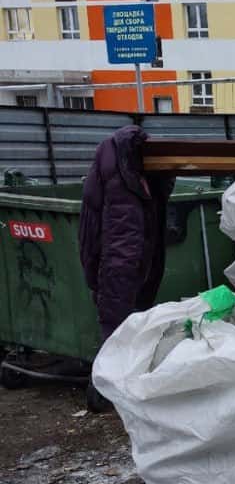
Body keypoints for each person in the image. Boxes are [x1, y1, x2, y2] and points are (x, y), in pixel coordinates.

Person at [78, 125, 174, 344]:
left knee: (117, 335)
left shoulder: (111, 161)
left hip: (116, 273)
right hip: (123, 271)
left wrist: (92, 275)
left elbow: (89, 228)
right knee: (122, 331)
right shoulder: (125, 168)